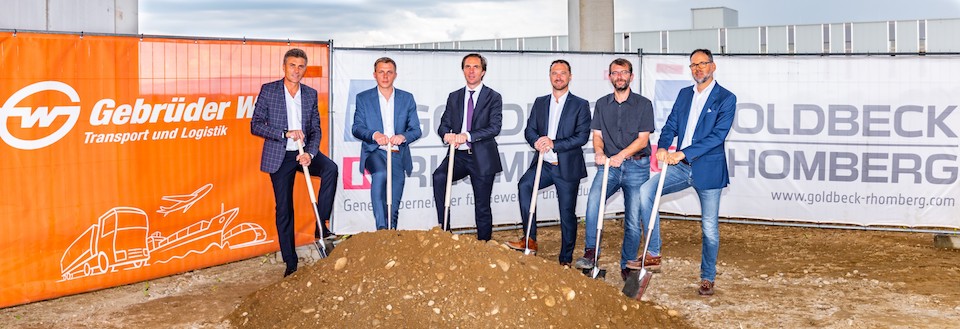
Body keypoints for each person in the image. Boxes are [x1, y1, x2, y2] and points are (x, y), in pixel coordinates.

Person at [627, 48, 736, 296]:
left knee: (709, 228)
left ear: (713, 66)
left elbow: (717, 136)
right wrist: (663, 147)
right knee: (647, 191)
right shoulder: (684, 94)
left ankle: (707, 277)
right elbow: (671, 125)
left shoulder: (726, 98)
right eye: (693, 65)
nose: (698, 68)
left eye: (703, 64)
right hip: (680, 168)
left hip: (708, 171)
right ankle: (653, 253)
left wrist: (683, 152)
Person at [251, 48, 338, 277]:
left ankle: (321, 226)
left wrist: (309, 153)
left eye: (301, 66)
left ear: (305, 69)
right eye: (292, 65)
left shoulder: (310, 94)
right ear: (284, 67)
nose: (296, 70)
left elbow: (315, 130)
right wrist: (284, 133)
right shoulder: (269, 91)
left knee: (331, 169)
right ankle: (291, 262)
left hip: (304, 154)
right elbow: (256, 125)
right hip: (280, 155)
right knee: (284, 209)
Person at [573, 58, 655, 281]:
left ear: (631, 76)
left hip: (637, 167)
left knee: (632, 218)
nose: (619, 76)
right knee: (593, 202)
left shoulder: (644, 104)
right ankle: (591, 253)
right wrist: (599, 152)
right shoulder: (601, 104)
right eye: (615, 73)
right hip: (609, 166)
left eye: (624, 72)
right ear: (609, 77)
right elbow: (597, 136)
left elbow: (642, 140)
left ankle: (627, 264)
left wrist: (621, 155)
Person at [504, 59, 591, 266]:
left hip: (566, 167)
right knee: (525, 185)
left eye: (562, 73)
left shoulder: (580, 104)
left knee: (566, 214)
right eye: (554, 73)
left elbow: (582, 137)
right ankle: (530, 240)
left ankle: (565, 259)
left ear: (570, 76)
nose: (558, 76)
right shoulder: (540, 102)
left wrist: (554, 143)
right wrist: (537, 141)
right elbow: (529, 130)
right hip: (543, 165)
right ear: (549, 76)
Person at [432, 53, 503, 241]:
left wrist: (468, 135)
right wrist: (445, 133)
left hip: (482, 157)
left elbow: (494, 127)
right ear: (463, 70)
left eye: (476, 67)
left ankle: (484, 244)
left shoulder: (493, 97)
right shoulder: (454, 96)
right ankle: (445, 232)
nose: (471, 71)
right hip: (458, 156)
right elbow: (444, 124)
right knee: (439, 177)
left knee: (482, 204)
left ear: (483, 72)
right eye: (467, 67)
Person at [351, 57, 422, 230]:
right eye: (381, 72)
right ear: (374, 74)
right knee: (381, 173)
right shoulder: (363, 98)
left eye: (389, 72)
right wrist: (374, 135)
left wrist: (403, 136)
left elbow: (416, 130)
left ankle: (390, 235)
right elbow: (357, 128)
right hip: (374, 152)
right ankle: (381, 230)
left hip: (398, 154)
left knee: (394, 201)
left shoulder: (407, 98)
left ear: (395, 75)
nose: (385, 76)